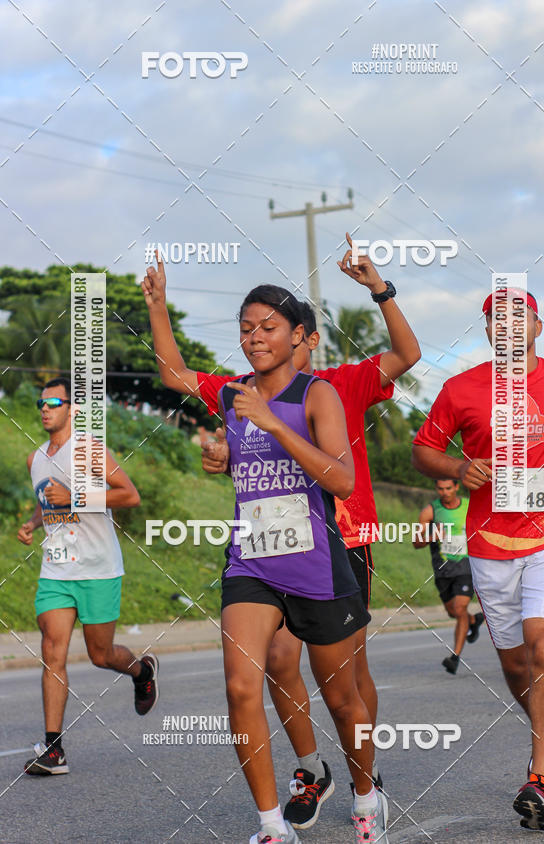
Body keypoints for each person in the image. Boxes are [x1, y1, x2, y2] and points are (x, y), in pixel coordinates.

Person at [142, 238, 420, 832]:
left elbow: (344, 472)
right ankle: (280, 811)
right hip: (255, 558)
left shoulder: (332, 387)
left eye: (268, 326)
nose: (254, 336)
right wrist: (159, 306)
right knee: (254, 675)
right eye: (246, 328)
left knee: (345, 690)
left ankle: (366, 788)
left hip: (331, 548)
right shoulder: (236, 392)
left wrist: (378, 288)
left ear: (304, 337)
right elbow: (174, 374)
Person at [412, 289, 544, 831]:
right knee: (517, 665)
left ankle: (540, 775)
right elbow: (423, 449)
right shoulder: (461, 389)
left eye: (520, 320)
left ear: (538, 327)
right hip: (491, 544)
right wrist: (457, 464)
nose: (509, 329)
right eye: (498, 322)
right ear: (489, 332)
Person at [17, 377, 159, 776]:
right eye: (41, 403)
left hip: (98, 568)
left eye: (54, 403)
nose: (45, 409)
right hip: (57, 568)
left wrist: (77, 498)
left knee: (101, 654)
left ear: (72, 410)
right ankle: (53, 748)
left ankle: (141, 670)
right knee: (52, 652)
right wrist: (33, 522)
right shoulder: (36, 459)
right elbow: (49, 498)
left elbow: (129, 495)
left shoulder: (91, 451)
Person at [412, 478, 484, 674]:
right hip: (442, 570)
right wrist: (430, 537)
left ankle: (455, 657)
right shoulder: (430, 511)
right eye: (440, 488)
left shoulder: (469, 506)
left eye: (448, 488)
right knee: (453, 612)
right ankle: (472, 621)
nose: (444, 492)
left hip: (466, 567)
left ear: (457, 487)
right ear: (436, 488)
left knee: (460, 608)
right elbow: (416, 543)